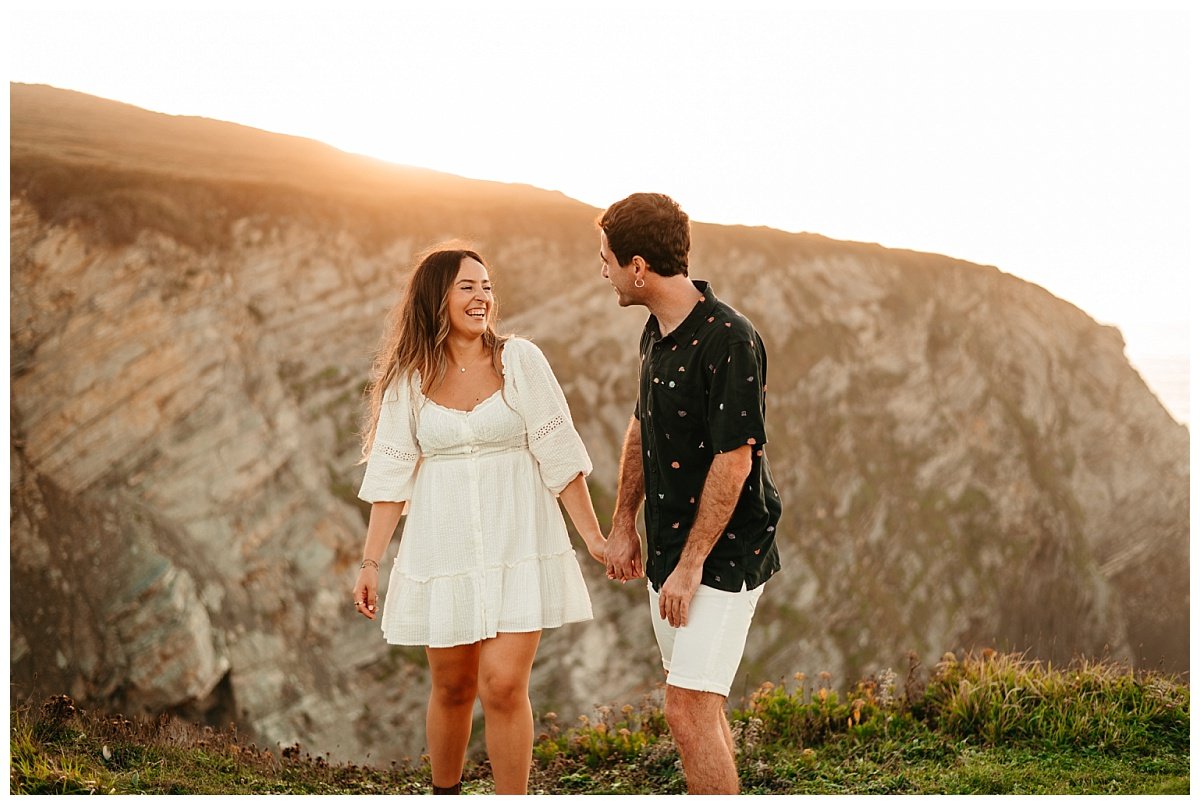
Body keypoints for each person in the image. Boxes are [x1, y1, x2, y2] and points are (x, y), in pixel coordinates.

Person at [352, 244, 606, 795]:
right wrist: (371, 563)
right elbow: (391, 479)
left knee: (504, 684)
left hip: (519, 543)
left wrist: (595, 539)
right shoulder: (408, 381)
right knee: (452, 686)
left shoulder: (521, 360)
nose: (481, 297)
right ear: (436, 297)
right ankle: (445, 793)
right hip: (442, 549)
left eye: (487, 286)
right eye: (467, 286)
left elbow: (559, 453)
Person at [598, 193, 782, 794]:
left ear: (639, 267)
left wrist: (692, 565)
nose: (603, 271)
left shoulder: (730, 339)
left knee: (686, 708)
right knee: (696, 701)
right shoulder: (655, 333)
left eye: (608, 259)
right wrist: (625, 520)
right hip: (668, 549)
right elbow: (640, 424)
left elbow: (734, 460)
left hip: (721, 556)